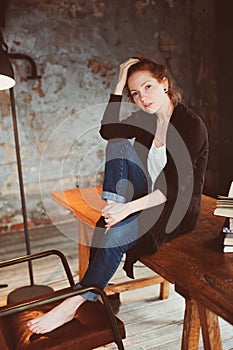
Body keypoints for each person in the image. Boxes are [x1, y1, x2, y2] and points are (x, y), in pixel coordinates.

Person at [27, 57, 208, 334]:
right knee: (118, 143)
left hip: (175, 208)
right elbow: (108, 131)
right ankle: (115, 204)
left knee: (114, 233)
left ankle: (71, 304)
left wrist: (127, 210)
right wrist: (118, 84)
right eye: (135, 93)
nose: (143, 97)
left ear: (165, 84)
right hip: (143, 195)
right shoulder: (146, 118)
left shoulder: (190, 125)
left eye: (148, 87)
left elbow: (174, 187)